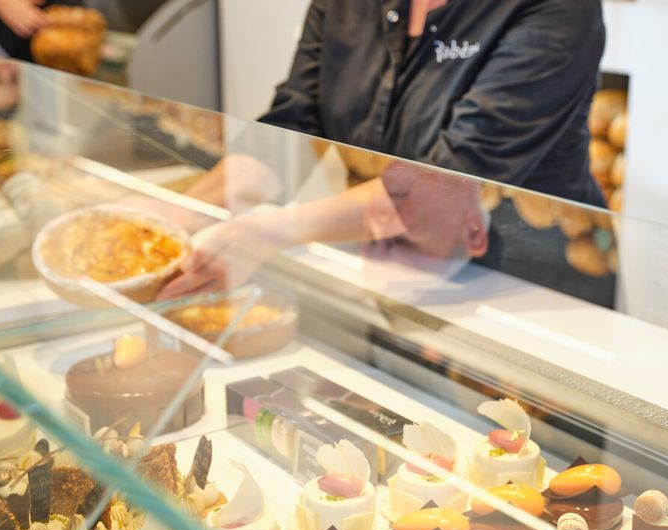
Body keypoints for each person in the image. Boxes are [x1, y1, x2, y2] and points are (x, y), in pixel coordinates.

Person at [156, 0, 612, 305]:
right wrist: (176, 213)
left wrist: (272, 231)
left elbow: (444, 183)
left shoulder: (557, 8)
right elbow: (292, 123)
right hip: (391, 275)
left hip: (528, 298)